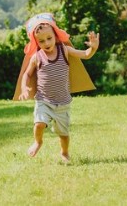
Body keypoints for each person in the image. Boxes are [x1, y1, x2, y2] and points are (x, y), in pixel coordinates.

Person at [18, 13, 99, 163]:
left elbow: (85, 55)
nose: (46, 42)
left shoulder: (64, 50)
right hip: (44, 100)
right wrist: (24, 88)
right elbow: (27, 75)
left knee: (63, 134)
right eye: (41, 41)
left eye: (49, 38)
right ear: (36, 42)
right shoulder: (37, 57)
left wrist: (93, 48)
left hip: (63, 103)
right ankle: (38, 142)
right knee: (39, 123)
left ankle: (64, 152)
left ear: (55, 35)